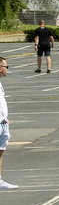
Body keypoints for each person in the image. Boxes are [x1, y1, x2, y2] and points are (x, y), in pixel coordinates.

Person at [0, 54, 12, 189]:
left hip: (3, 123)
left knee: (1, 151)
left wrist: (5, 117)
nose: (7, 69)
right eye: (6, 66)